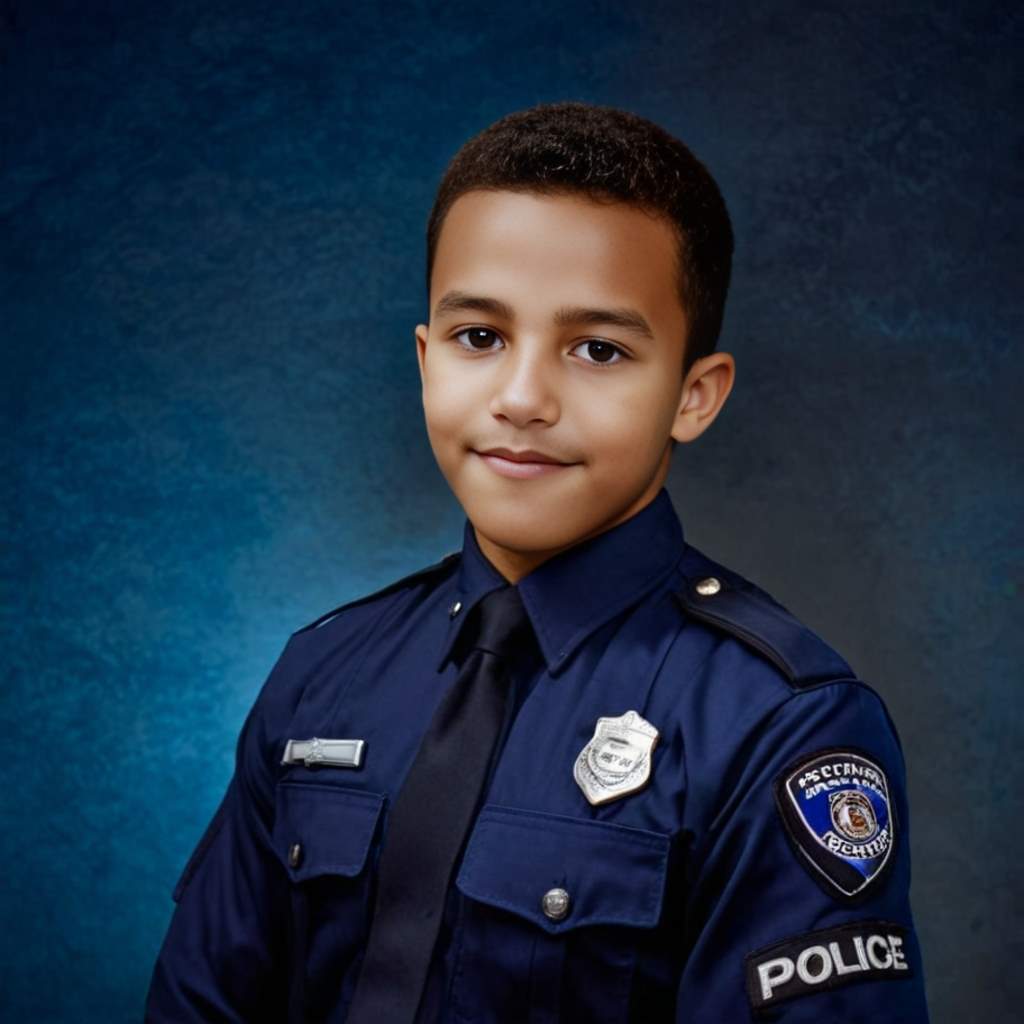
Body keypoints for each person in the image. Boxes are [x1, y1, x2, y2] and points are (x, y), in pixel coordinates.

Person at [145, 101, 930, 1022]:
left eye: (597, 349)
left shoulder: (780, 729)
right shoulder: (323, 676)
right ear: (427, 359)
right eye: (481, 338)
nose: (523, 398)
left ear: (693, 394)